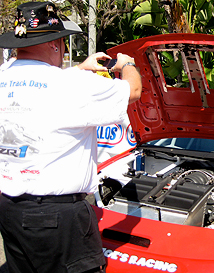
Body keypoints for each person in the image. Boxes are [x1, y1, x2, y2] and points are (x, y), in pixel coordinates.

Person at [0, 1, 141, 273]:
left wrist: (79, 68)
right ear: (55, 45)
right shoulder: (76, 86)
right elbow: (133, 91)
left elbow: (42, 85)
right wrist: (127, 63)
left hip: (9, 209)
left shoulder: (4, 76)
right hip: (57, 221)